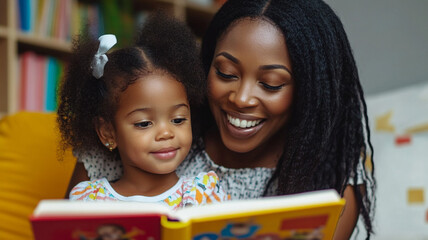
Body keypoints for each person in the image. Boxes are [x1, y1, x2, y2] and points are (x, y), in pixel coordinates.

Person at [66, 0, 375, 239]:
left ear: (310, 90)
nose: (241, 98)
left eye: (270, 83)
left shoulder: (331, 174)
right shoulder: (118, 145)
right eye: (226, 73)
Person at [57, 13, 228, 209]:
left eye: (178, 120)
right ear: (107, 131)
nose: (166, 133)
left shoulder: (204, 194)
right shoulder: (89, 199)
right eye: (144, 123)